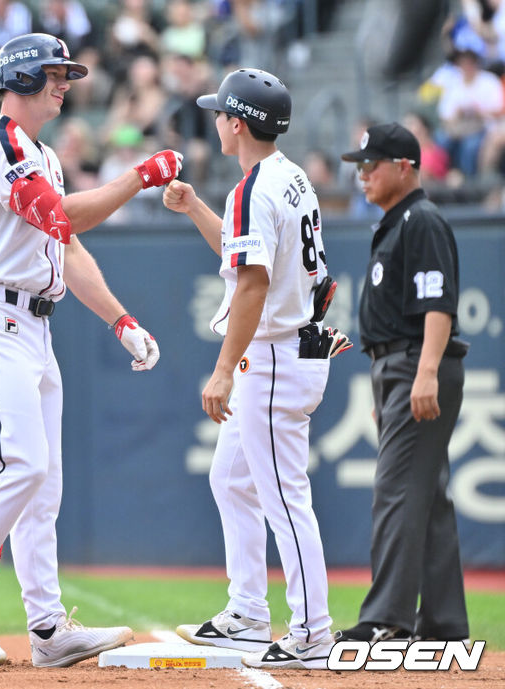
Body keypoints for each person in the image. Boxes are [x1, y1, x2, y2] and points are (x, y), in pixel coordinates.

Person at [0, 32, 182, 668]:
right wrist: (139, 177)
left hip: (35, 325)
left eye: (67, 73)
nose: (65, 83)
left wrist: (119, 318)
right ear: (23, 78)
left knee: (46, 484)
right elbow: (66, 218)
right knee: (24, 464)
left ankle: (46, 628)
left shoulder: (41, 154)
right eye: (55, 73)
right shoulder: (1, 146)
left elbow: (66, 250)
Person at [163, 68, 347, 670]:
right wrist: (194, 208)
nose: (215, 119)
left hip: (272, 360)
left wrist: (221, 371)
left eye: (220, 112)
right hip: (291, 348)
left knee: (285, 500)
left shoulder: (253, 190)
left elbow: (253, 284)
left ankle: (313, 630)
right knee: (231, 480)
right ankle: (246, 609)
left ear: (236, 124)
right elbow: (256, 257)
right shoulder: (289, 177)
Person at [335, 122, 470, 645]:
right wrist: (384, 390)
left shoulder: (422, 220)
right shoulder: (396, 222)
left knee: (396, 493)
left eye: (372, 165)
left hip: (417, 362)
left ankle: (386, 618)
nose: (362, 174)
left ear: (405, 167)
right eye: (359, 166)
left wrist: (426, 372)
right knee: (427, 497)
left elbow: (438, 303)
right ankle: (445, 625)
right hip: (398, 368)